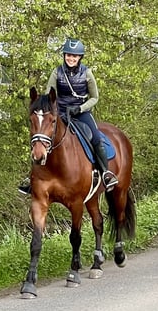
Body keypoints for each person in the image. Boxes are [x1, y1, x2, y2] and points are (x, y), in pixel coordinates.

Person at [19, 38, 118, 194]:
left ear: (79, 58)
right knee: (41, 137)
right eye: (68, 55)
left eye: (74, 56)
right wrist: (53, 109)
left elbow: (95, 98)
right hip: (61, 112)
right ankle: (32, 177)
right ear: (64, 56)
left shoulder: (87, 73)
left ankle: (106, 173)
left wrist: (80, 108)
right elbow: (49, 95)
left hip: (81, 113)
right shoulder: (56, 72)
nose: (71, 58)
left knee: (96, 139)